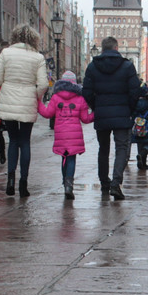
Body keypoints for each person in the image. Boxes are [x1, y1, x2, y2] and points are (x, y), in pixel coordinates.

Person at [83, 36, 141, 200]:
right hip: (122, 113)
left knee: (103, 148)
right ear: (116, 48)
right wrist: (129, 108)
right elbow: (135, 91)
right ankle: (116, 183)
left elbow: (86, 92)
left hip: (102, 113)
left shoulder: (93, 67)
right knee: (122, 148)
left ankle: (104, 182)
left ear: (102, 49)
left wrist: (97, 106)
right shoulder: (127, 66)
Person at [0, 24, 48, 197]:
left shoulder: (6, 53)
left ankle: (10, 180)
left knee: (13, 140)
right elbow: (44, 84)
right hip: (27, 100)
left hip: (9, 99)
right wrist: (36, 96)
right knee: (25, 142)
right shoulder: (37, 57)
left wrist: (7, 86)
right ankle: (23, 183)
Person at [37, 71, 94, 199]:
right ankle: (69, 184)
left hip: (61, 134)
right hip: (75, 135)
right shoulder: (80, 98)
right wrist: (96, 114)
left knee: (64, 158)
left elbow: (47, 113)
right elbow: (85, 118)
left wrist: (38, 103)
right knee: (71, 159)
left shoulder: (56, 97)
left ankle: (65, 182)